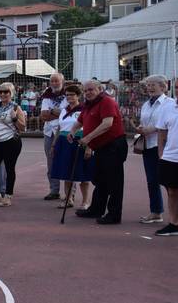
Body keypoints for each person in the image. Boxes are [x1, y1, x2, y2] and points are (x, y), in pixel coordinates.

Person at [69, 80, 127, 225]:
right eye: (86, 90)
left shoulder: (107, 101)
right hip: (101, 147)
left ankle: (114, 214)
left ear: (99, 89)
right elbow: (80, 121)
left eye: (91, 89)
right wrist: (72, 130)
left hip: (113, 145)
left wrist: (88, 138)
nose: (88, 92)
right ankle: (96, 209)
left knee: (114, 182)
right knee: (100, 179)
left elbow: (107, 124)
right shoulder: (89, 105)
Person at [134, 75, 174, 224]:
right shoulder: (146, 104)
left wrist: (151, 129)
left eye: (153, 85)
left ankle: (174, 215)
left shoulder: (170, 103)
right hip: (148, 146)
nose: (149, 87)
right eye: (148, 85)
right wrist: (140, 128)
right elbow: (144, 121)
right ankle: (156, 212)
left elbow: (169, 124)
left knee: (170, 182)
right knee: (152, 180)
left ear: (163, 87)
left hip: (165, 146)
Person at [0, 82, 26, 207]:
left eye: (6, 92)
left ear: (11, 93)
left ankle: (8, 195)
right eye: (0, 92)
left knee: (9, 168)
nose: (3, 94)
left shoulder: (15, 108)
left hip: (10, 141)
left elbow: (23, 127)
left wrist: (14, 118)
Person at [155, 79, 178, 236]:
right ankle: (174, 223)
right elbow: (162, 132)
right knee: (172, 191)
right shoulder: (168, 107)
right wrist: (161, 154)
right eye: (177, 87)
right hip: (170, 157)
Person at [40, 73, 68, 201]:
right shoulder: (46, 95)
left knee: (67, 160)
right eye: (52, 81)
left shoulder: (68, 95)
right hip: (49, 132)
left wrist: (52, 112)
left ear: (62, 81)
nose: (54, 83)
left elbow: (69, 113)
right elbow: (43, 116)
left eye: (57, 81)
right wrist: (58, 113)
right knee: (50, 162)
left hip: (64, 132)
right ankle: (54, 190)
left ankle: (69, 194)